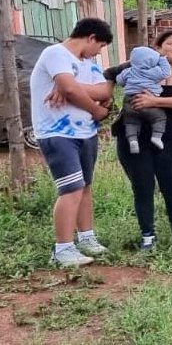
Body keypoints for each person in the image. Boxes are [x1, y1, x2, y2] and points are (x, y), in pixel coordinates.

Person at [107, 31, 172, 251]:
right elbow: (109, 74)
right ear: (158, 47)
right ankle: (147, 236)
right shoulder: (138, 65)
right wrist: (105, 98)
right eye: (171, 44)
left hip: (171, 139)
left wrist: (154, 100)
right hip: (134, 138)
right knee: (142, 186)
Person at [30, 18, 113, 267]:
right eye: (100, 46)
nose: (99, 52)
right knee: (71, 188)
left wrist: (73, 87)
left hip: (85, 134)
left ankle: (86, 237)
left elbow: (105, 92)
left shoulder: (88, 63)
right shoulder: (56, 54)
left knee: (85, 186)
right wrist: (96, 111)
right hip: (58, 133)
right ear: (91, 38)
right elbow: (69, 88)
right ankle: (63, 248)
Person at [116, 46, 172, 154]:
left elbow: (119, 81)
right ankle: (156, 136)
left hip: (130, 100)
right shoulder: (154, 71)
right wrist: (162, 59)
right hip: (149, 101)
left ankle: (132, 141)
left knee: (130, 122)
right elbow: (166, 73)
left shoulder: (129, 71)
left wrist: (128, 83)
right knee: (160, 117)